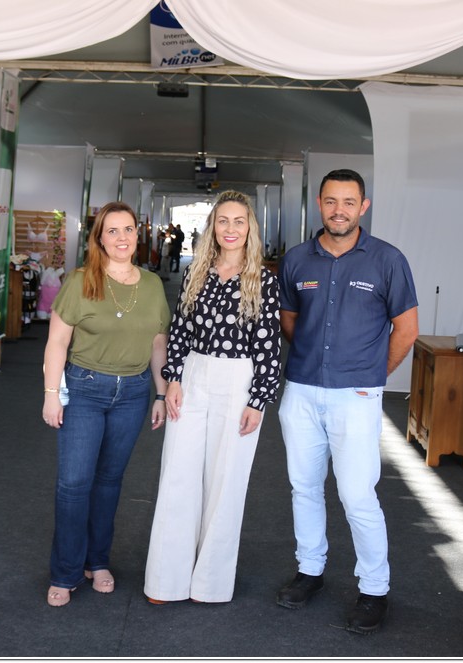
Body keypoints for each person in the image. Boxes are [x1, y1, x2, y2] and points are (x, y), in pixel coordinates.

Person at [274, 169, 418, 635]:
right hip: (301, 390)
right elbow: (290, 320)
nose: (340, 211)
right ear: (319, 203)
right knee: (303, 487)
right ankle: (310, 569)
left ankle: (374, 588)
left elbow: (406, 330)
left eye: (349, 202)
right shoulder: (297, 260)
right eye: (332, 201)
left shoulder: (388, 260)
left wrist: (371, 375)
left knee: (357, 495)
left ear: (364, 207)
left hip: (356, 395)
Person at [144, 191, 281, 604]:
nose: (231, 229)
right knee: (178, 472)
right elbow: (181, 330)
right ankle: (166, 580)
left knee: (226, 482)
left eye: (239, 221)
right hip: (193, 374)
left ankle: (210, 584)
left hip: (239, 379)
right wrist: (173, 379)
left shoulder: (263, 279)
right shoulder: (196, 272)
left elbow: (269, 346)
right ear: (212, 227)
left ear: (250, 228)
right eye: (223, 221)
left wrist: (258, 400)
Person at [41, 201, 170, 607]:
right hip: (84, 389)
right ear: (99, 238)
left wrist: (161, 392)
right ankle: (65, 571)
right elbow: (57, 342)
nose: (121, 237)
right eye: (112, 230)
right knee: (74, 483)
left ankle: (97, 562)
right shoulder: (81, 281)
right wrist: (51, 394)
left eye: (128, 229)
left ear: (137, 234)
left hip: (132, 394)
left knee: (109, 483)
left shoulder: (152, 285)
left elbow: (158, 343)